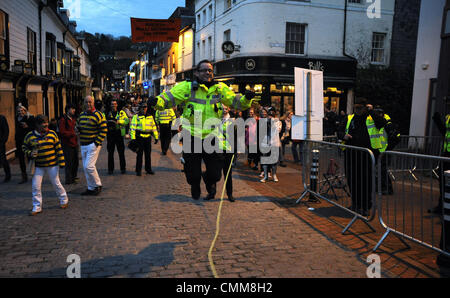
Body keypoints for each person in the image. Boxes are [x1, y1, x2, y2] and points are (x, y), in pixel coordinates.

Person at [148, 59, 257, 200]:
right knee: (192, 175)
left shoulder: (220, 88)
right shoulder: (187, 87)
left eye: (210, 70)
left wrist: (246, 99)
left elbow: (236, 103)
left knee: (216, 175)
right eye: (204, 70)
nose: (207, 72)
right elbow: (169, 98)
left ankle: (207, 179)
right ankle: (195, 185)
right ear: (196, 73)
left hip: (211, 137)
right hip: (191, 136)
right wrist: (157, 102)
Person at [338, 98, 387, 216]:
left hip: (367, 155)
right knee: (352, 180)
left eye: (360, 108)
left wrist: (372, 111)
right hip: (351, 154)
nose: (357, 110)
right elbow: (339, 130)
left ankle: (365, 206)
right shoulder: (350, 118)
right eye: (356, 107)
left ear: (366, 108)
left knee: (365, 182)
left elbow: (382, 124)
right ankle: (355, 204)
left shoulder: (372, 118)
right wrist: (343, 136)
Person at [23, 115, 68, 215]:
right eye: (43, 123)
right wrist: (30, 153)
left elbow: (58, 148)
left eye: (46, 122)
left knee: (56, 183)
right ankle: (37, 206)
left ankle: (63, 199)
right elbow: (24, 147)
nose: (45, 124)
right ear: (37, 125)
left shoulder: (52, 134)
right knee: (36, 186)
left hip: (52, 165)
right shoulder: (30, 136)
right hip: (38, 166)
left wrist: (62, 161)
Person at [77, 96, 107, 196]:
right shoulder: (81, 115)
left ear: (93, 103)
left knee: (89, 166)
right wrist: (77, 129)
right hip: (83, 144)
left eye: (90, 102)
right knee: (85, 168)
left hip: (92, 144)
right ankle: (90, 187)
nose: (88, 104)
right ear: (83, 103)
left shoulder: (99, 115)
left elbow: (103, 130)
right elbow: (78, 126)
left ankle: (98, 184)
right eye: (86, 102)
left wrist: (96, 143)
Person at [130, 101, 158, 176]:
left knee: (148, 155)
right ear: (140, 108)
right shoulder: (136, 116)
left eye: (145, 107)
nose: (144, 109)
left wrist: (156, 137)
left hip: (148, 138)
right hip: (140, 138)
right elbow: (132, 127)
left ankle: (148, 169)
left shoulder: (150, 116)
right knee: (139, 154)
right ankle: (138, 170)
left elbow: (154, 127)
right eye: (143, 107)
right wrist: (133, 138)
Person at [106, 99, 128, 175]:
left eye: (115, 104)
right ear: (110, 105)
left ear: (117, 105)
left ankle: (123, 169)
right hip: (110, 135)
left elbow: (127, 121)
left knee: (121, 153)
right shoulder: (107, 113)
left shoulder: (121, 113)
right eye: (112, 104)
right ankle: (110, 169)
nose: (113, 105)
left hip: (119, 134)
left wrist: (119, 122)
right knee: (110, 153)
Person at [58, 104, 79, 185]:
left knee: (75, 162)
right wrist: (73, 133)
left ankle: (73, 177)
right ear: (67, 110)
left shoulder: (73, 119)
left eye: (74, 109)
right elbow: (62, 132)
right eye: (72, 109)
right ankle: (69, 179)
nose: (74, 110)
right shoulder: (63, 120)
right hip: (67, 144)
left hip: (74, 143)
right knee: (69, 162)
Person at [260, 108, 281, 183]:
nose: (270, 117)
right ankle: (265, 176)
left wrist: (273, 122)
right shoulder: (264, 121)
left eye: (272, 115)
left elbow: (278, 130)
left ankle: (274, 175)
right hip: (265, 143)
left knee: (274, 161)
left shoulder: (278, 122)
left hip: (274, 143)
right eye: (269, 115)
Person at [15, 104, 35, 184]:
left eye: (22, 111)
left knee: (30, 157)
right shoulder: (17, 118)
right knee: (21, 159)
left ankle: (33, 175)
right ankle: (24, 176)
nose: (21, 112)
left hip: (28, 141)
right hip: (19, 141)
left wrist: (27, 126)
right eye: (19, 111)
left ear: (25, 111)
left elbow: (34, 128)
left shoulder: (30, 118)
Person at [0, 114, 11, 182]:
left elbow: (6, 130)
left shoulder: (2, 118)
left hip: (0, 142)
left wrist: (3, 141)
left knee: (3, 159)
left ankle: (8, 175)